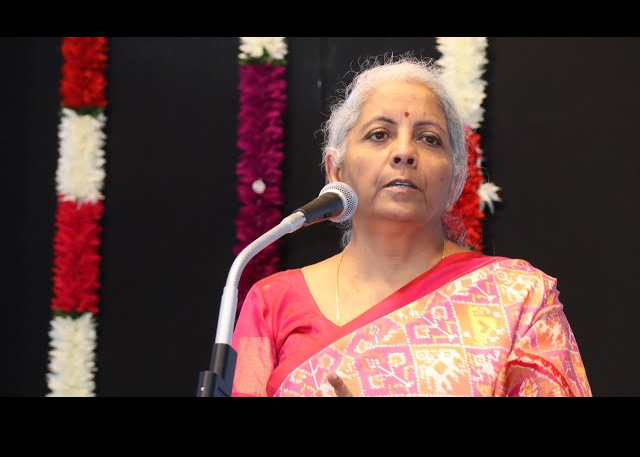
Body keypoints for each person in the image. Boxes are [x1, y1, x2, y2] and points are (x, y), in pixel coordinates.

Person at [230, 54, 592, 397]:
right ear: (336, 170)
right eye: (379, 134)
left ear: (454, 182)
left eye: (428, 138)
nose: (405, 152)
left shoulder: (518, 299)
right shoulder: (271, 303)